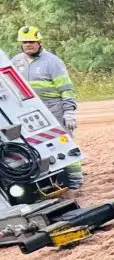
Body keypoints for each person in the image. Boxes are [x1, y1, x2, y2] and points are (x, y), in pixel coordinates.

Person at [13, 27, 82, 191]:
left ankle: (75, 181)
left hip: (54, 109)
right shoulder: (15, 61)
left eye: (31, 41)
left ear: (39, 42)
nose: (28, 45)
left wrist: (69, 112)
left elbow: (66, 88)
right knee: (35, 148)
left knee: (64, 145)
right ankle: (51, 181)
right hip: (29, 112)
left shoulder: (52, 61)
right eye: (25, 42)